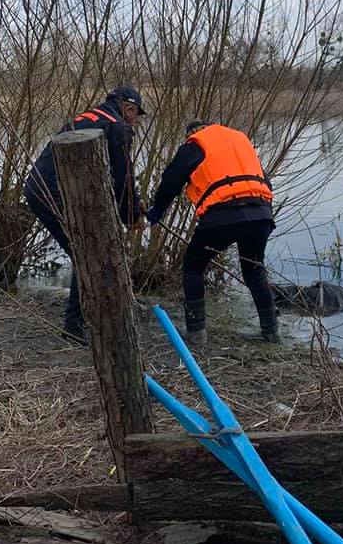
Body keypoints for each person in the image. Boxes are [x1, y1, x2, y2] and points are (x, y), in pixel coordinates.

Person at [24, 86, 146, 344]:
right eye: (136, 114)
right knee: (87, 253)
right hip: (54, 193)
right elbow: (124, 178)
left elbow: (109, 176)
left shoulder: (92, 117)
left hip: (42, 186)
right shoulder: (117, 128)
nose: (135, 121)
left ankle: (94, 314)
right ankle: (74, 326)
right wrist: (132, 215)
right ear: (128, 108)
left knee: (90, 250)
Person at [146, 120, 278, 348]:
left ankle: (197, 334)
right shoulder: (240, 139)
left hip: (223, 215)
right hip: (261, 213)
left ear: (193, 132)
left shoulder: (196, 142)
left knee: (193, 267)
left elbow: (171, 179)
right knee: (254, 269)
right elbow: (264, 181)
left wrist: (156, 211)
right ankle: (271, 332)